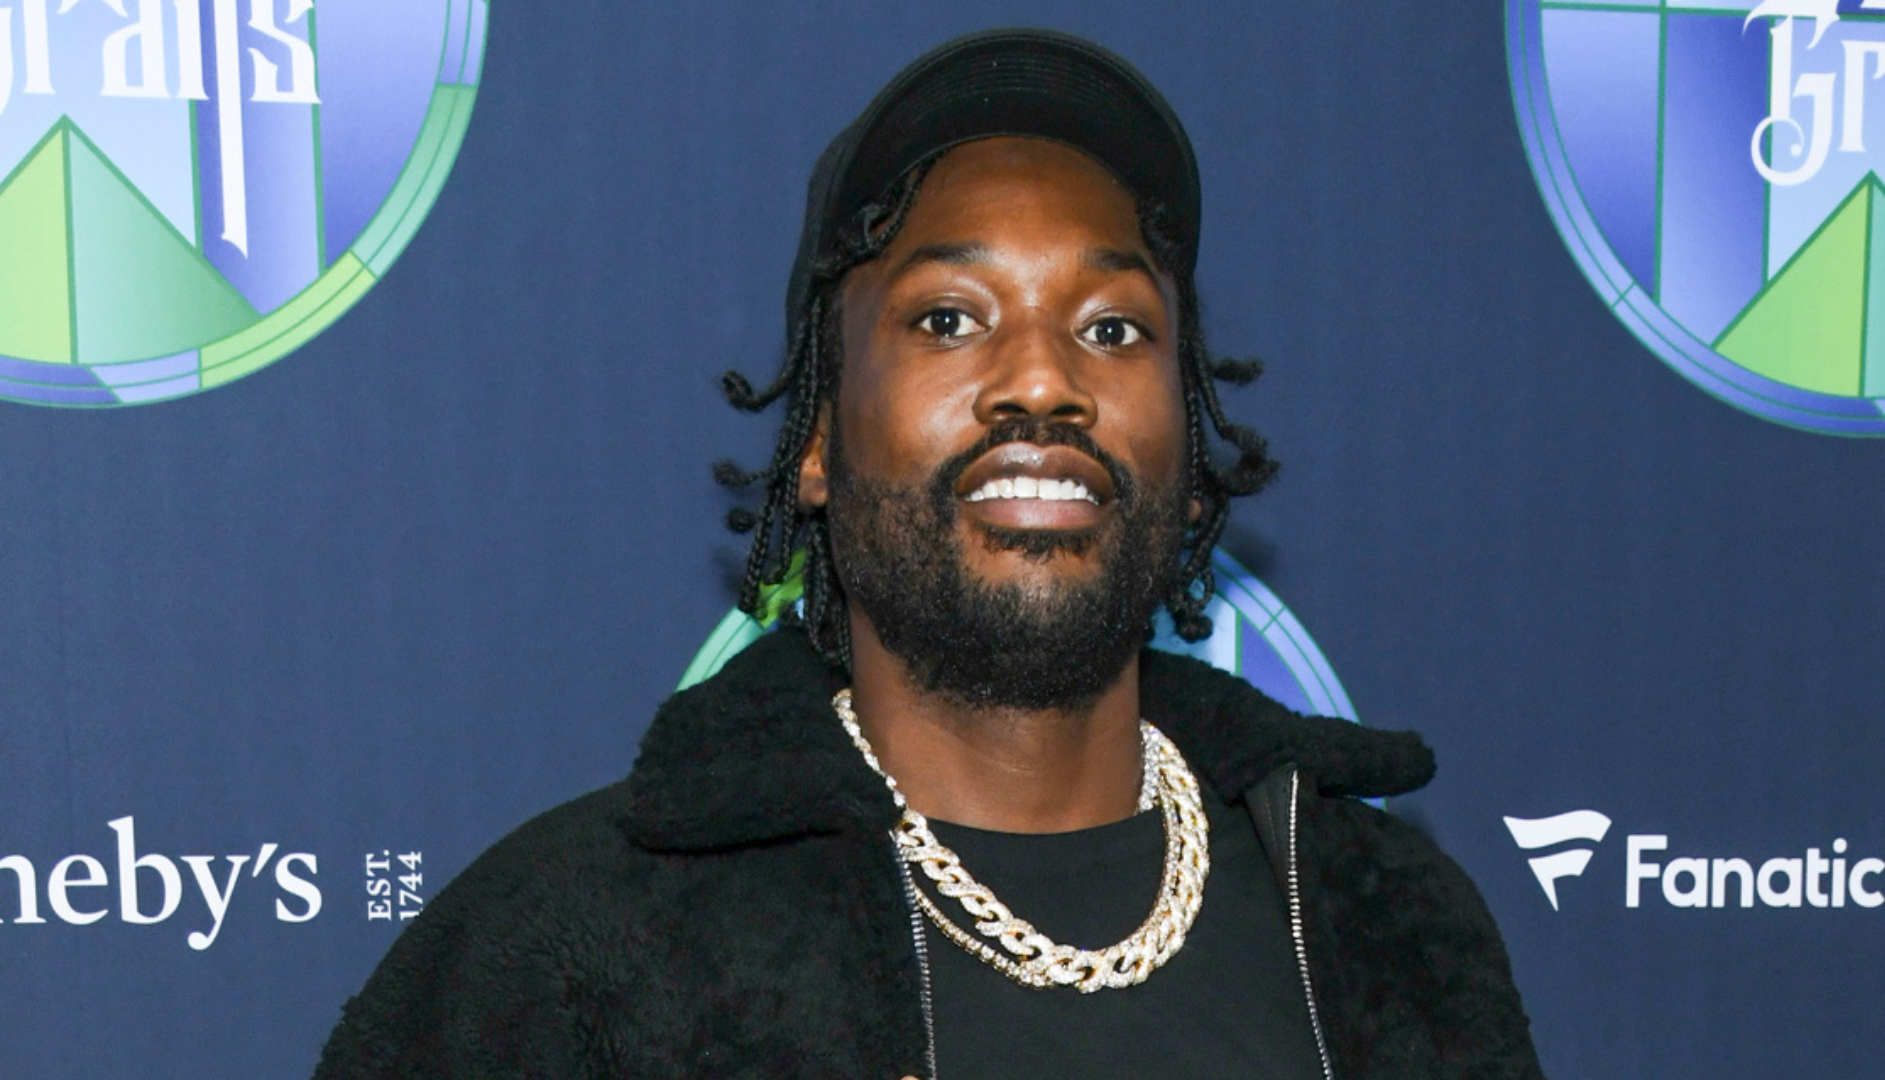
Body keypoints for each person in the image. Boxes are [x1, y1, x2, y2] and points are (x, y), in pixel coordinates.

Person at [313, 28, 1545, 1080]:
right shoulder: (575, 947)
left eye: (1113, 326)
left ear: (1187, 447)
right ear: (815, 445)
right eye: (949, 319)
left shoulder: (1382, 924)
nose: (1044, 381)